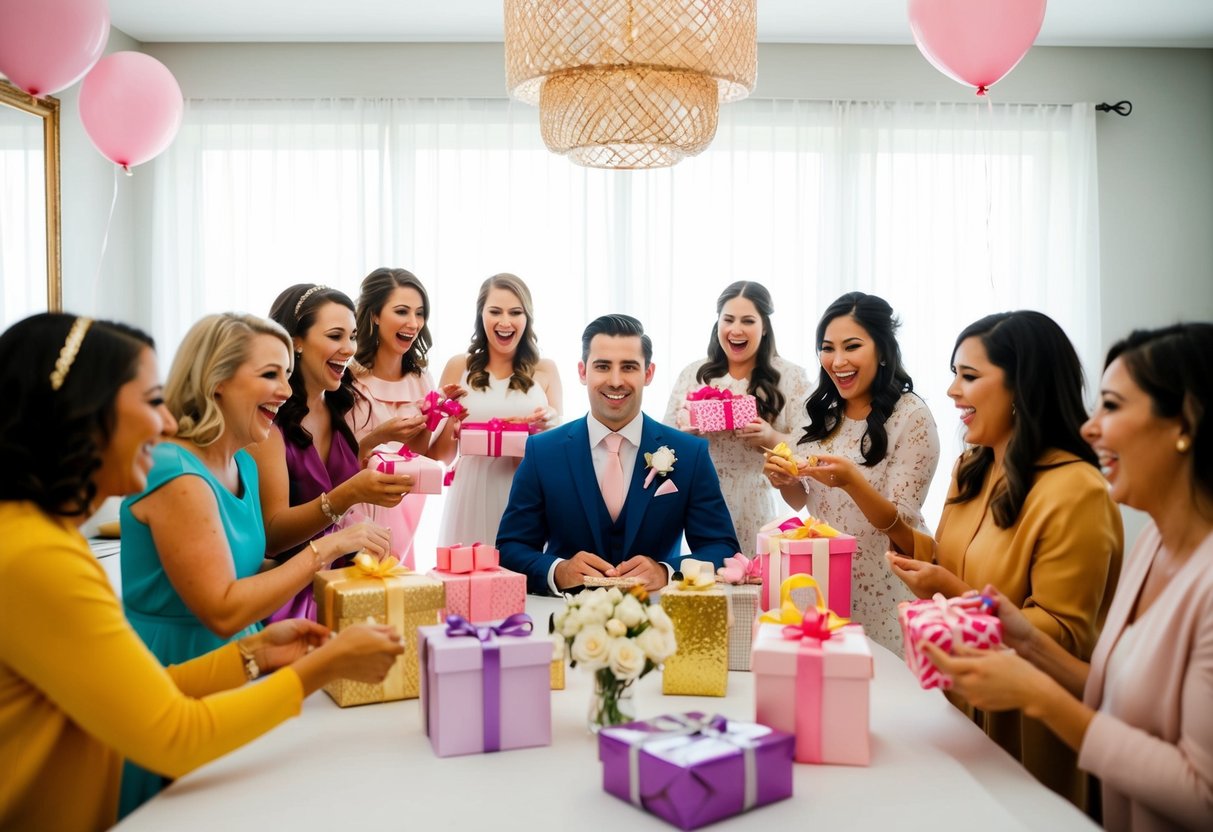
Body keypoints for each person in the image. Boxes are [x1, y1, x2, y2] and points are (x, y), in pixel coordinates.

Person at [0, 313, 403, 831]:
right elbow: (175, 732)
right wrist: (324, 667)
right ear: (86, 411)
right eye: (151, 402)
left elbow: (149, 689)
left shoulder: (38, 539)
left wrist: (254, 655)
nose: (167, 424)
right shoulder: (37, 558)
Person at [924, 323, 1213, 832]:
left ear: (1184, 423)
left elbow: (1202, 799)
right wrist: (1024, 639)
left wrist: (1036, 694)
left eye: (1112, 407)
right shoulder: (1155, 543)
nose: (1090, 429)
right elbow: (1112, 691)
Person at [118, 312, 389, 813]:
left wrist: (340, 573)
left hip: (243, 656)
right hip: (179, 665)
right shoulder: (174, 470)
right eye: (270, 374)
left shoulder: (242, 460)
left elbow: (247, 571)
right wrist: (327, 548)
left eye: (286, 374)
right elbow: (222, 608)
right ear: (216, 380)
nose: (286, 390)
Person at [886, 310, 1124, 807]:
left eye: (969, 376)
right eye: (954, 374)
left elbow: (1063, 635)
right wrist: (912, 556)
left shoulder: (1076, 489)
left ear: (1022, 386)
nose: (952, 391)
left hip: (1027, 724)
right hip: (958, 705)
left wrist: (950, 592)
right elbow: (951, 559)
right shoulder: (971, 467)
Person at [497, 314, 740, 594]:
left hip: (658, 615)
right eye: (602, 366)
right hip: (565, 615)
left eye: (628, 367)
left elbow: (721, 548)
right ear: (583, 372)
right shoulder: (542, 451)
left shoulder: (690, 453)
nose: (615, 381)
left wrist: (667, 571)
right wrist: (557, 570)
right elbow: (510, 548)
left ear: (648, 373)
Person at [763, 292, 939, 653]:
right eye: (827, 348)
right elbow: (800, 500)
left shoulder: (911, 417)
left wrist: (851, 483)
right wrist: (783, 480)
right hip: (825, 588)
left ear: (883, 350)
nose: (838, 361)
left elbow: (905, 530)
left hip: (888, 592)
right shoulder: (819, 413)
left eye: (852, 346)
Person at [249, 284, 414, 621]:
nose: (349, 348)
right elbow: (273, 536)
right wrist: (349, 494)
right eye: (335, 336)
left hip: (344, 586)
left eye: (352, 336)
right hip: (292, 598)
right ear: (296, 341)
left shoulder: (340, 406)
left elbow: (332, 476)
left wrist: (371, 448)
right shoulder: (268, 420)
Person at [663, 281, 813, 553]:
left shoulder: (791, 377)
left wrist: (770, 437)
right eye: (728, 319)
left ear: (764, 326)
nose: (736, 329)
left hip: (761, 502)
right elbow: (664, 444)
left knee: (757, 573)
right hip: (702, 502)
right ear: (717, 323)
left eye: (748, 321)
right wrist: (685, 436)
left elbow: (810, 447)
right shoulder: (693, 374)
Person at [348, 267, 462, 568]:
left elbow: (426, 457)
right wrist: (381, 436)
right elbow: (338, 460)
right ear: (374, 315)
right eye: (401, 311)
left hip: (404, 514)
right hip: (353, 514)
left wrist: (449, 419)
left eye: (419, 313)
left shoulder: (420, 379)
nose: (413, 323)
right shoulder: (347, 380)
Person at [436, 274, 562, 546]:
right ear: (480, 315)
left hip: (526, 493)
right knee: (469, 568)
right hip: (470, 491)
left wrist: (547, 424)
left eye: (515, 312)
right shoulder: (459, 367)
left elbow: (558, 456)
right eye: (495, 311)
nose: (505, 322)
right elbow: (442, 456)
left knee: (522, 567)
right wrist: (450, 420)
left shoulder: (546, 370)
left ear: (527, 318)